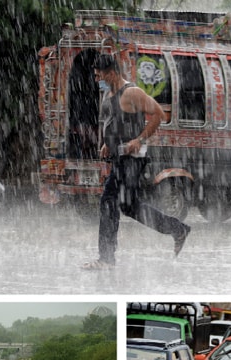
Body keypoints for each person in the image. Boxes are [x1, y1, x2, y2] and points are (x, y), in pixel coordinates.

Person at [82, 54, 191, 269]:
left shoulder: (131, 92)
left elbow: (160, 114)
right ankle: (177, 229)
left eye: (99, 75)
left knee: (108, 202)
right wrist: (107, 143)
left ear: (112, 72)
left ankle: (106, 259)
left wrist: (139, 139)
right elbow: (114, 121)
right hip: (119, 157)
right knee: (129, 206)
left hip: (132, 160)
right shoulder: (109, 92)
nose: (97, 79)